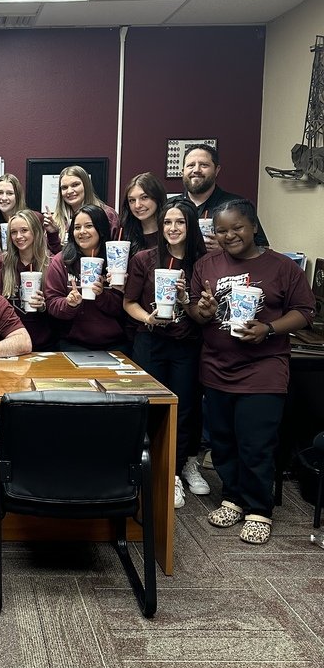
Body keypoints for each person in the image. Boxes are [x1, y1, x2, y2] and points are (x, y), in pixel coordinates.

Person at [188, 199, 314, 544]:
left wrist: (268, 329)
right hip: (216, 367)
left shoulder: (282, 267)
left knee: (256, 442)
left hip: (263, 369)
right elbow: (199, 317)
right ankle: (233, 497)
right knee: (223, 441)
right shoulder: (206, 264)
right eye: (222, 230)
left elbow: (305, 311)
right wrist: (204, 309)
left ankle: (259, 509)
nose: (230, 236)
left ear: (254, 226)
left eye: (237, 228)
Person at [123, 198, 208, 509]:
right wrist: (147, 318)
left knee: (184, 407)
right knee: (150, 406)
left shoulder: (203, 261)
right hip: (151, 340)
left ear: (190, 226)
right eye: (168, 222)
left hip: (187, 342)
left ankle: (180, 467)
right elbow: (129, 303)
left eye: (180, 222)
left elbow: (205, 310)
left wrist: (185, 299)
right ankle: (153, 469)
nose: (173, 228)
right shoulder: (145, 258)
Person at [45, 204, 129, 352]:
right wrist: (69, 304)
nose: (82, 232)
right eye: (77, 227)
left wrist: (102, 295)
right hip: (72, 343)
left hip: (115, 344)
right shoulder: (61, 261)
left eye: (89, 226)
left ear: (101, 229)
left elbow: (121, 309)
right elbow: (51, 303)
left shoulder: (116, 261)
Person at [0, 209, 55, 351]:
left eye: (24, 230)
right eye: (13, 232)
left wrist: (44, 306)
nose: (19, 236)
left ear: (36, 231)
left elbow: (61, 308)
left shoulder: (52, 263)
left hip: (46, 344)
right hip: (9, 344)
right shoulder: (1, 263)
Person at [181, 144, 269, 248]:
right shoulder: (171, 206)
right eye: (190, 165)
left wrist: (229, 248)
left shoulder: (237, 206)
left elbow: (263, 249)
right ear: (183, 171)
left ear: (217, 170)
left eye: (204, 165)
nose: (196, 170)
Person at [0, 172, 61, 258]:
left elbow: (55, 254)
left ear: (18, 196)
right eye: (0, 193)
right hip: (8, 270)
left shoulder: (35, 218)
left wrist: (53, 233)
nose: (4, 198)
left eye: (10, 193)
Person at [51, 165, 119, 244]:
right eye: (64, 187)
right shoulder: (56, 220)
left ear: (86, 186)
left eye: (75, 185)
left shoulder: (108, 215)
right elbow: (48, 253)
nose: (69, 191)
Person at [119, 172, 168, 256]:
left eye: (144, 197)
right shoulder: (124, 233)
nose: (137, 205)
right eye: (132, 200)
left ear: (157, 198)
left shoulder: (171, 231)